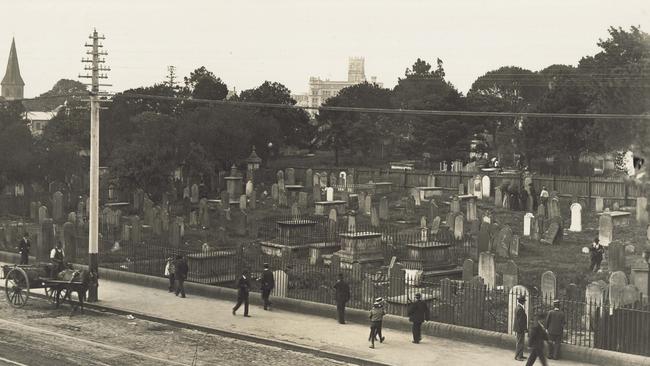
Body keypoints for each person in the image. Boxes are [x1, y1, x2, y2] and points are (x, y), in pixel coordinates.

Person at [514, 294, 528, 361]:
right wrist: (524, 329)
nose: (524, 302)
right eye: (524, 301)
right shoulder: (520, 309)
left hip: (520, 328)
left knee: (521, 342)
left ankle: (520, 355)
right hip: (520, 328)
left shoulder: (518, 307)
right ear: (522, 302)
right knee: (520, 342)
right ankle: (517, 356)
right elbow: (520, 321)